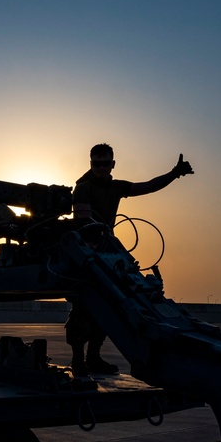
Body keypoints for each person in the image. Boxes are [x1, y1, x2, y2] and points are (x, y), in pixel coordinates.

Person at [66, 143, 194, 375]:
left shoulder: (117, 187)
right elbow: (83, 221)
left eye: (106, 164)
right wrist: (94, 244)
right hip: (87, 252)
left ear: (113, 164)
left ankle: (93, 357)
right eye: (97, 164)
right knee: (84, 305)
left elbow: (148, 186)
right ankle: (77, 360)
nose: (102, 168)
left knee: (109, 305)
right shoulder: (83, 189)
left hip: (107, 250)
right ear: (91, 164)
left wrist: (174, 174)